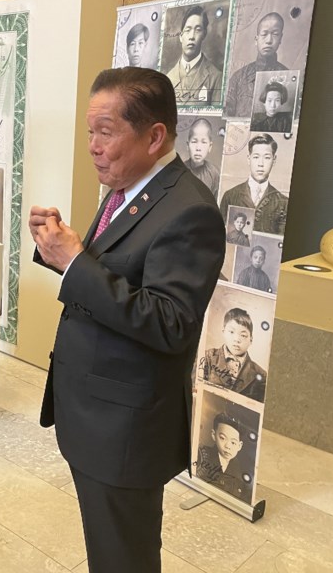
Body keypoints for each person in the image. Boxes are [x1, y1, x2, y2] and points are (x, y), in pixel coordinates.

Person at [29, 66, 225, 573]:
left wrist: (75, 262)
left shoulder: (190, 211)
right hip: (94, 414)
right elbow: (115, 274)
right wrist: (59, 250)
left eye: (106, 131)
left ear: (155, 135)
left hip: (126, 428)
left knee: (124, 558)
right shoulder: (129, 190)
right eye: (90, 131)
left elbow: (170, 322)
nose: (93, 145)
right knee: (108, 548)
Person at [219, 133, 289, 235]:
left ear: (274, 160)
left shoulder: (283, 202)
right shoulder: (230, 196)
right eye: (256, 157)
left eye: (267, 157)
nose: (261, 164)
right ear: (249, 159)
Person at [224, 12, 288, 118]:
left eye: (275, 34)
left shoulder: (288, 78)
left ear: (280, 38)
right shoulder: (238, 77)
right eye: (264, 34)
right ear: (256, 39)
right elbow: (227, 115)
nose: (269, 40)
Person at [198, 307, 267, 403]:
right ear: (223, 332)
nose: (237, 339)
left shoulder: (261, 374)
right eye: (231, 332)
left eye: (243, 335)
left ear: (250, 340)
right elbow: (195, 389)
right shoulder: (207, 357)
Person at [166, 5, 223, 106]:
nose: (191, 36)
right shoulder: (167, 78)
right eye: (187, 30)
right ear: (180, 36)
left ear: (204, 35)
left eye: (197, 30)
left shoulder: (216, 77)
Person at [195, 412, 254, 503]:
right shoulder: (200, 455)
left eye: (233, 442)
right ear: (213, 435)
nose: (227, 446)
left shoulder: (243, 475)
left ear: (239, 446)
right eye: (222, 438)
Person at [184, 117, 220, 196]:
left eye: (203, 142)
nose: (198, 148)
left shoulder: (214, 174)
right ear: (187, 145)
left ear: (210, 146)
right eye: (194, 141)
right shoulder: (179, 171)